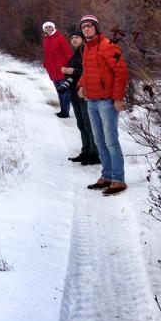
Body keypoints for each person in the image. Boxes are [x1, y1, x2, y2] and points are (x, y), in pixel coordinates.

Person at [78, 15, 129, 195]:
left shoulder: (108, 46)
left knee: (111, 141)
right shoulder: (86, 48)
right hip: (91, 101)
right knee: (99, 141)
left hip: (106, 102)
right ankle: (106, 175)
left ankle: (118, 179)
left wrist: (117, 98)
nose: (86, 29)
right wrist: (81, 86)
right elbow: (87, 71)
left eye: (90, 26)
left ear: (97, 28)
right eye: (83, 27)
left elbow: (121, 73)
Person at [61, 31, 99, 165]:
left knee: (89, 125)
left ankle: (95, 154)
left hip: (84, 93)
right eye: (72, 37)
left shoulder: (86, 52)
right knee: (81, 124)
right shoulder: (75, 54)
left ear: (83, 39)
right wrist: (66, 71)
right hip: (74, 93)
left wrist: (71, 71)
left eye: (76, 37)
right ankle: (86, 152)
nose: (74, 39)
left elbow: (90, 70)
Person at [41, 21, 73, 117]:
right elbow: (46, 56)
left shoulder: (60, 38)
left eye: (50, 27)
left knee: (65, 91)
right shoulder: (45, 41)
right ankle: (62, 110)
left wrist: (70, 66)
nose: (48, 29)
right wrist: (45, 64)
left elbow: (68, 52)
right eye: (46, 27)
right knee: (59, 91)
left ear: (53, 28)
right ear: (44, 30)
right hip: (52, 70)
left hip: (63, 69)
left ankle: (65, 112)